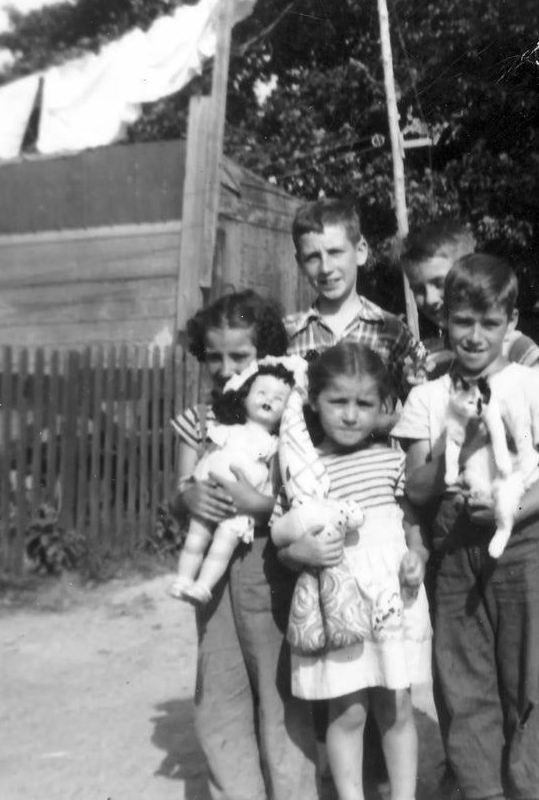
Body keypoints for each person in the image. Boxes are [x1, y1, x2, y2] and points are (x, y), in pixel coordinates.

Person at [394, 253, 539, 800]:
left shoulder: (532, 385)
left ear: (511, 324)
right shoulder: (426, 396)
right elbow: (416, 489)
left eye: (489, 323)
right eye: (463, 322)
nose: (474, 336)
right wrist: (456, 436)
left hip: (520, 544)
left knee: (528, 675)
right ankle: (480, 789)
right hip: (452, 551)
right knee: (462, 679)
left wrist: (510, 509)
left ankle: (535, 788)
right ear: (443, 320)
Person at [168, 289, 336, 800]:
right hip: (216, 581)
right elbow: (181, 492)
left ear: (264, 354)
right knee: (220, 690)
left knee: (281, 692)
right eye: (213, 357)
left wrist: (251, 502)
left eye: (238, 356)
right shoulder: (198, 422)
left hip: (270, 566)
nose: (223, 368)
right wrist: (191, 496)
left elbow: (298, 500)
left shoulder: (286, 415)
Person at [278, 342, 433, 800]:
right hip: (340, 604)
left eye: (364, 404)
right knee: (347, 712)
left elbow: (411, 524)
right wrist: (302, 550)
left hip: (391, 599)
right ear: (313, 401)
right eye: (337, 401)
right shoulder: (305, 472)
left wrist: (417, 557)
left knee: (397, 704)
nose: (350, 415)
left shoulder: (391, 461)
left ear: (383, 406)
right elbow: (285, 545)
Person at [168, 360, 299, 606]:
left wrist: (257, 504)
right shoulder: (228, 430)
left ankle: (203, 586)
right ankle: (183, 579)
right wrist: (199, 479)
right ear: (245, 395)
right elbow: (209, 455)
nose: (268, 399)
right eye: (261, 392)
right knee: (195, 539)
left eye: (279, 398)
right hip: (212, 495)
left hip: (242, 509)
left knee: (222, 546)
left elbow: (272, 485)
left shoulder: (274, 445)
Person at [283, 197, 425, 406]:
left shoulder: (392, 330)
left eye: (335, 252)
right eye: (313, 257)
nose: (325, 268)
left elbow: (418, 402)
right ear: (300, 263)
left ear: (360, 252)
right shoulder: (289, 333)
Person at [400, 217, 539, 378]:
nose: (430, 299)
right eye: (418, 289)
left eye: (440, 283)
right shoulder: (431, 359)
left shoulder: (515, 348)